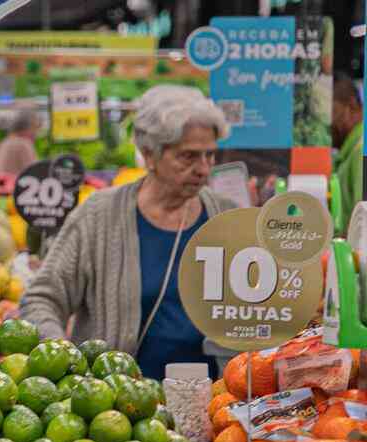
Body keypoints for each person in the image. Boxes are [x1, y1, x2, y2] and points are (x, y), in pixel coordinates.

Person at [19, 85, 236, 380]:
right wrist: (59, 356)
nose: (203, 169)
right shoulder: (99, 216)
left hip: (214, 407)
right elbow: (42, 297)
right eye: (188, 156)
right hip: (116, 412)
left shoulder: (227, 217)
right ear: (149, 154)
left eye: (210, 155)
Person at [332, 73, 363, 236]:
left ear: (350, 106)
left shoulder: (361, 150)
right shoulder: (350, 153)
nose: (325, 122)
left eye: (330, 111)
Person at [0, 108, 40, 175]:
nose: (36, 133)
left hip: (5, 183)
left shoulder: (5, 142)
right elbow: (35, 172)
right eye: (35, 128)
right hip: (17, 184)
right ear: (27, 128)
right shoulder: (23, 144)